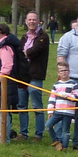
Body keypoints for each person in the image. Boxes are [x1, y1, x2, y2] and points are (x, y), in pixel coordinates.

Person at [18, 11, 50, 141]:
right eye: (29, 19)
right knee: (21, 106)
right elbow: (19, 54)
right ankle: (23, 133)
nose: (31, 21)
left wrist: (25, 53)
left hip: (36, 75)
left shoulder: (43, 36)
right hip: (22, 76)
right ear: (26, 21)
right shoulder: (23, 38)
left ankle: (38, 134)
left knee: (37, 106)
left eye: (34, 19)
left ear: (38, 22)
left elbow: (34, 51)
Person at [45, 60, 78, 150]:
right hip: (58, 111)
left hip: (68, 111)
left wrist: (69, 96)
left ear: (69, 71)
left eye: (66, 70)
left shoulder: (73, 84)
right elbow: (52, 98)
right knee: (48, 125)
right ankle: (55, 140)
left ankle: (64, 147)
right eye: (61, 71)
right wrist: (50, 111)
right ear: (58, 73)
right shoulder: (56, 85)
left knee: (65, 131)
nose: (64, 73)